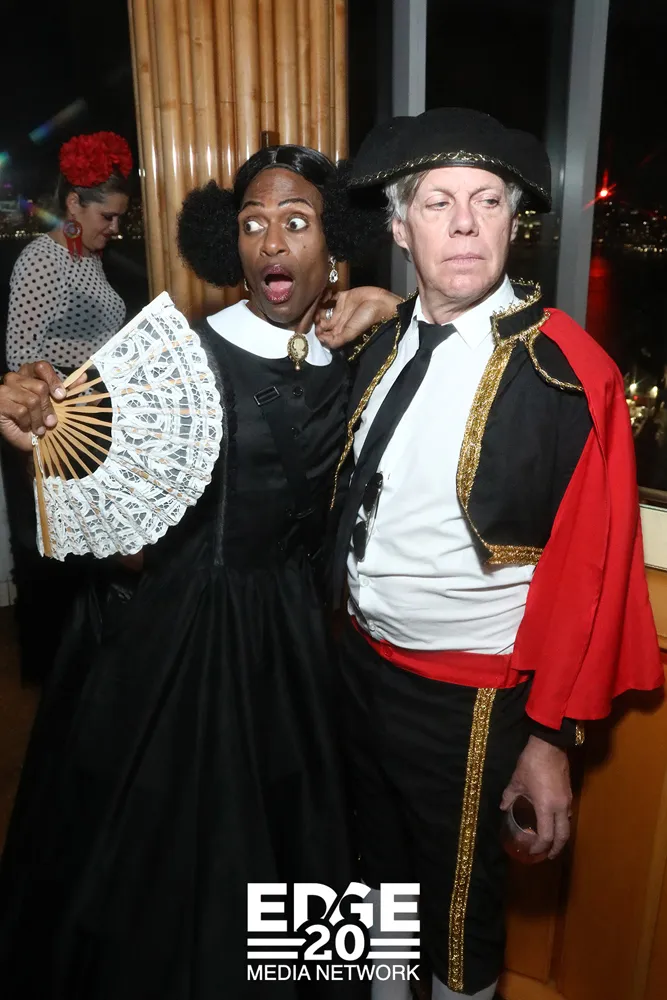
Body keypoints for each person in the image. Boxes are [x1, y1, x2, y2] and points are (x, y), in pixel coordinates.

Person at [0, 144, 383, 999]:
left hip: (296, 640)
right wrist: (33, 431)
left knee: (296, 848)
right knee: (177, 873)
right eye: (252, 224)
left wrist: (392, 305)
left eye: (296, 222)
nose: (272, 242)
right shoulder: (191, 354)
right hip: (185, 637)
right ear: (229, 243)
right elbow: (106, 505)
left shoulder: (357, 357)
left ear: (333, 241)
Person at [324, 108, 664, 1000]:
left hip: (469, 696)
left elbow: (590, 578)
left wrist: (548, 739)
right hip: (357, 666)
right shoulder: (381, 341)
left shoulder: (569, 372)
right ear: (401, 229)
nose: (465, 223)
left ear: (514, 223)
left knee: (456, 916)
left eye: (486, 201)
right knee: (373, 877)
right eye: (437, 203)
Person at [2, 131, 132, 682]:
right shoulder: (43, 258)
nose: (116, 227)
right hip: (52, 429)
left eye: (120, 217)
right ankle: (55, 682)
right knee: (53, 560)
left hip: (88, 425)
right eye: (108, 216)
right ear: (74, 204)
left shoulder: (88, 260)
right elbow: (20, 354)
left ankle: (86, 676)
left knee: (87, 555)